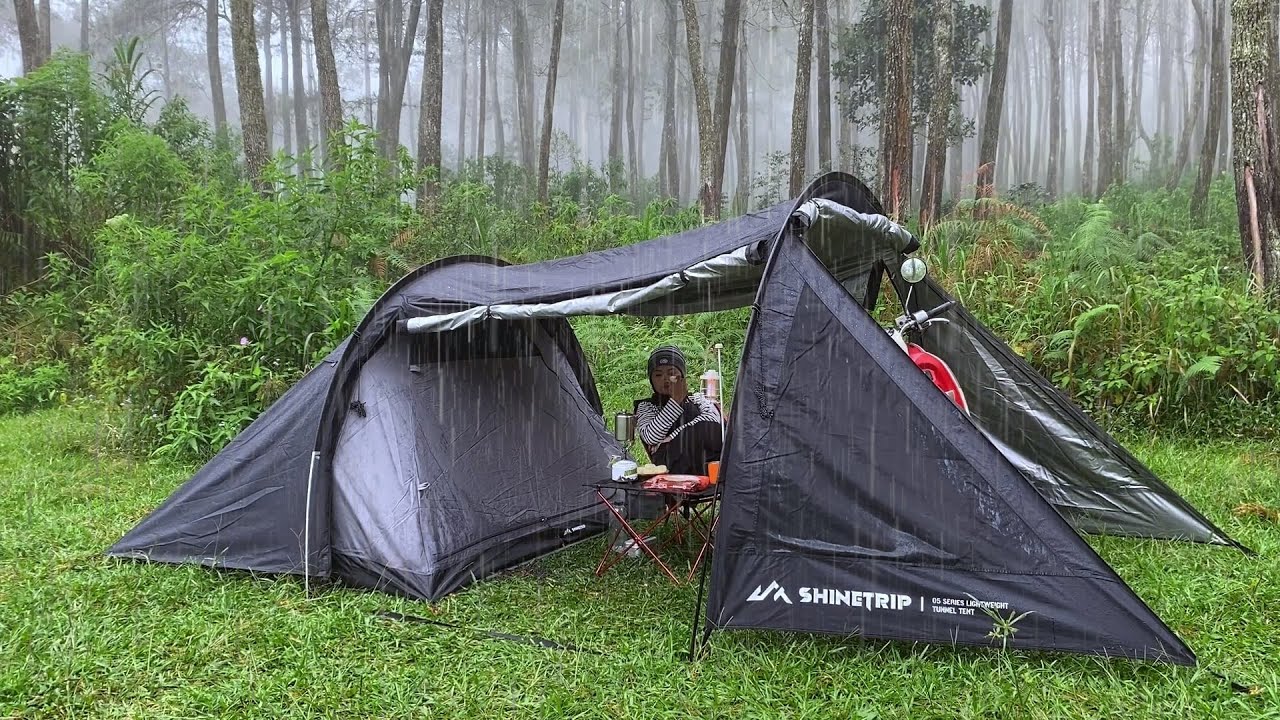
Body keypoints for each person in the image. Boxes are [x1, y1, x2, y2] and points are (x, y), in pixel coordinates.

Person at [634, 345, 724, 476]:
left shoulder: (696, 399)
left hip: (704, 461)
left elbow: (715, 423)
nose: (665, 379)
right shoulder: (647, 406)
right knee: (698, 431)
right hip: (671, 464)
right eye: (658, 375)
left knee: (713, 430)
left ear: (682, 376)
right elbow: (651, 437)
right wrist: (675, 401)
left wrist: (672, 436)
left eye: (671, 373)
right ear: (651, 380)